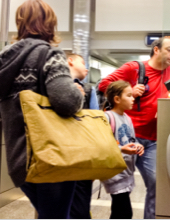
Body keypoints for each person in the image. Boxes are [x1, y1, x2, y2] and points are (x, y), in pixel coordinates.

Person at [0, 0, 84, 219]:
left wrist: (9, 109)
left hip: (19, 162)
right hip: (53, 156)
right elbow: (66, 102)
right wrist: (77, 93)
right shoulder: (50, 55)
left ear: (20, 23)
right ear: (50, 23)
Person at [98, 37, 170, 219]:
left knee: (156, 183)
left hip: (154, 138)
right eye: (169, 50)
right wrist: (130, 91)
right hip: (129, 137)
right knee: (120, 187)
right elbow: (103, 85)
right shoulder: (133, 68)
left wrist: (167, 106)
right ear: (156, 50)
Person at [102, 80, 144, 219]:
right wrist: (121, 149)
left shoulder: (127, 118)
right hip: (115, 174)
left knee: (118, 211)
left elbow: (131, 140)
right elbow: (103, 146)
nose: (133, 99)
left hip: (126, 172)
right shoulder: (107, 117)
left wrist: (138, 146)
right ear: (117, 99)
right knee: (125, 213)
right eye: (129, 95)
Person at [66, 51, 99, 219]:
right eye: (83, 63)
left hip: (82, 152)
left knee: (80, 205)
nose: (86, 68)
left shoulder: (88, 89)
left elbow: (95, 122)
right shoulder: (50, 86)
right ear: (70, 61)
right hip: (58, 151)